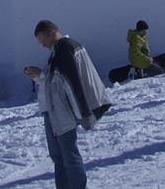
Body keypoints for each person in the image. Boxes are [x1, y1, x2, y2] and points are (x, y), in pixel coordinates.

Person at [24, 20, 111, 189]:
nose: (42, 45)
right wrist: (40, 75)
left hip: (63, 112)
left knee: (68, 156)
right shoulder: (59, 51)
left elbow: (71, 83)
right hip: (55, 111)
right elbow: (56, 81)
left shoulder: (64, 49)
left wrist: (84, 112)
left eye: (43, 40)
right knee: (59, 157)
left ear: (51, 33)